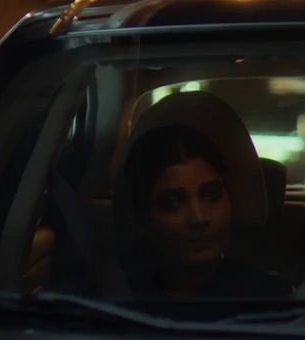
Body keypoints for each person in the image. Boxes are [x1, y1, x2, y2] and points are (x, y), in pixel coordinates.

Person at [118, 123, 290, 299]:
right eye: (173, 203)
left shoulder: (272, 299)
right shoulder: (114, 298)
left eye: (212, 195)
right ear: (141, 215)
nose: (199, 218)